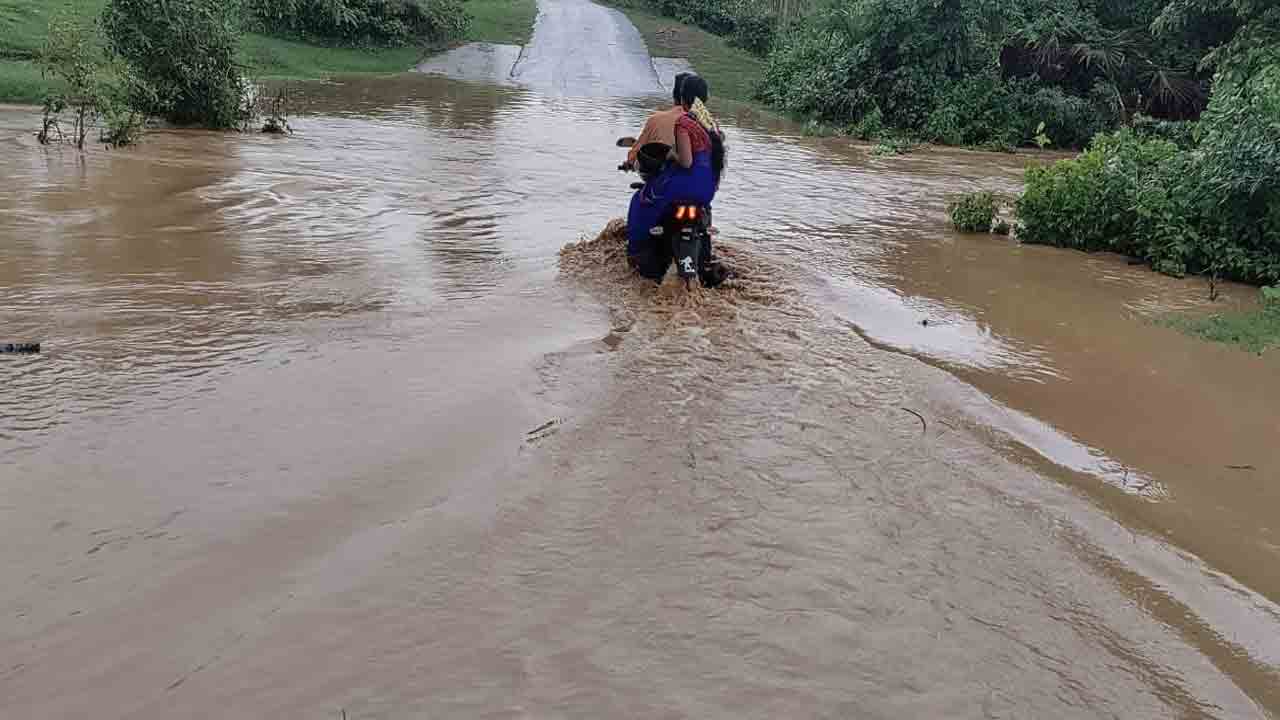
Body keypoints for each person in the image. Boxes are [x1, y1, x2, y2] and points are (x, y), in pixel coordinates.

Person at [627, 74, 726, 283]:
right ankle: (704, 256)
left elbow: (687, 162)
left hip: (682, 186)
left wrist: (672, 154)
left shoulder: (684, 122)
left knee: (640, 202)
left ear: (682, 99)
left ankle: (635, 253)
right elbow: (718, 163)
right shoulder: (712, 125)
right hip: (706, 191)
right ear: (705, 99)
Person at [625, 73, 691, 170]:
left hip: (662, 178)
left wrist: (630, 161)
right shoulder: (705, 123)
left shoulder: (655, 120)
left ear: (674, 95)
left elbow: (634, 156)